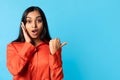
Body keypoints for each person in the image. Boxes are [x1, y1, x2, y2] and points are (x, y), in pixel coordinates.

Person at [6, 6, 67, 80]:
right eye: (29, 21)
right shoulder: (13, 46)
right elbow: (14, 70)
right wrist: (28, 44)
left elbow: (58, 78)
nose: (34, 25)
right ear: (23, 25)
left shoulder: (52, 47)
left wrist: (54, 54)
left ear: (43, 24)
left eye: (39, 21)